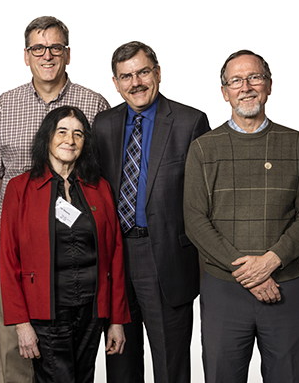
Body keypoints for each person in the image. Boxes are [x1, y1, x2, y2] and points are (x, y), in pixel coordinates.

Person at [184, 49, 299, 383]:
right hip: (224, 291)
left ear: (269, 85)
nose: (245, 87)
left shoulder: (297, 144)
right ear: (225, 92)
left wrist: (272, 261)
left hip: (285, 285)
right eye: (236, 81)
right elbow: (195, 220)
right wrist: (250, 273)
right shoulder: (204, 148)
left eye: (254, 77)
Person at [0, 15, 110, 383]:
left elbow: (100, 182)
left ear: (68, 54)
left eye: (55, 47)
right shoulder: (4, 105)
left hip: (77, 261)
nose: (47, 55)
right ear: (26, 55)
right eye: (38, 48)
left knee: (73, 367)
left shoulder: (94, 104)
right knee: (16, 360)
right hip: (20, 258)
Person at [92, 41, 210, 383]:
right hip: (116, 258)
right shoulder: (103, 124)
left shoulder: (190, 122)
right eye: (126, 76)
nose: (136, 83)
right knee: (121, 365)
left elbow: (206, 198)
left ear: (157, 73)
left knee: (170, 367)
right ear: (115, 83)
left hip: (167, 260)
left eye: (143, 72)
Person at [0, 106, 129, 383]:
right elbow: (8, 259)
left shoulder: (100, 188)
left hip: (92, 311)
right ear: (47, 136)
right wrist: (21, 323)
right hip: (45, 311)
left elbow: (115, 255)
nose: (70, 140)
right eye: (62, 132)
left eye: (78, 134)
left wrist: (116, 320)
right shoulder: (19, 188)